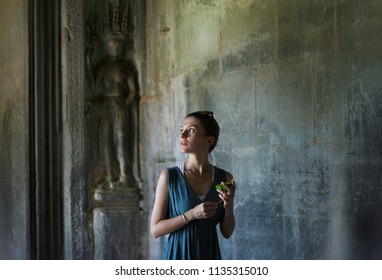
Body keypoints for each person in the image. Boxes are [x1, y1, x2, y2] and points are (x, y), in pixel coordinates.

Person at [150, 111, 236, 260]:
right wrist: (191, 214)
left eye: (191, 130)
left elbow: (227, 232)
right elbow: (155, 230)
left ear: (209, 141)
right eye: (181, 130)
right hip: (177, 256)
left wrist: (229, 206)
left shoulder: (224, 178)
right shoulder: (169, 177)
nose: (182, 135)